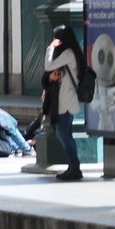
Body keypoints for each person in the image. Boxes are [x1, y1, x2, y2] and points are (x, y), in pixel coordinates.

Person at [45, 25, 86, 180]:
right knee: (65, 133)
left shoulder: (69, 54)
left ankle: (74, 166)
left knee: (63, 133)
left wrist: (50, 48)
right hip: (67, 99)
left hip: (67, 100)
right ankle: (73, 166)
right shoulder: (72, 52)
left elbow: (48, 65)